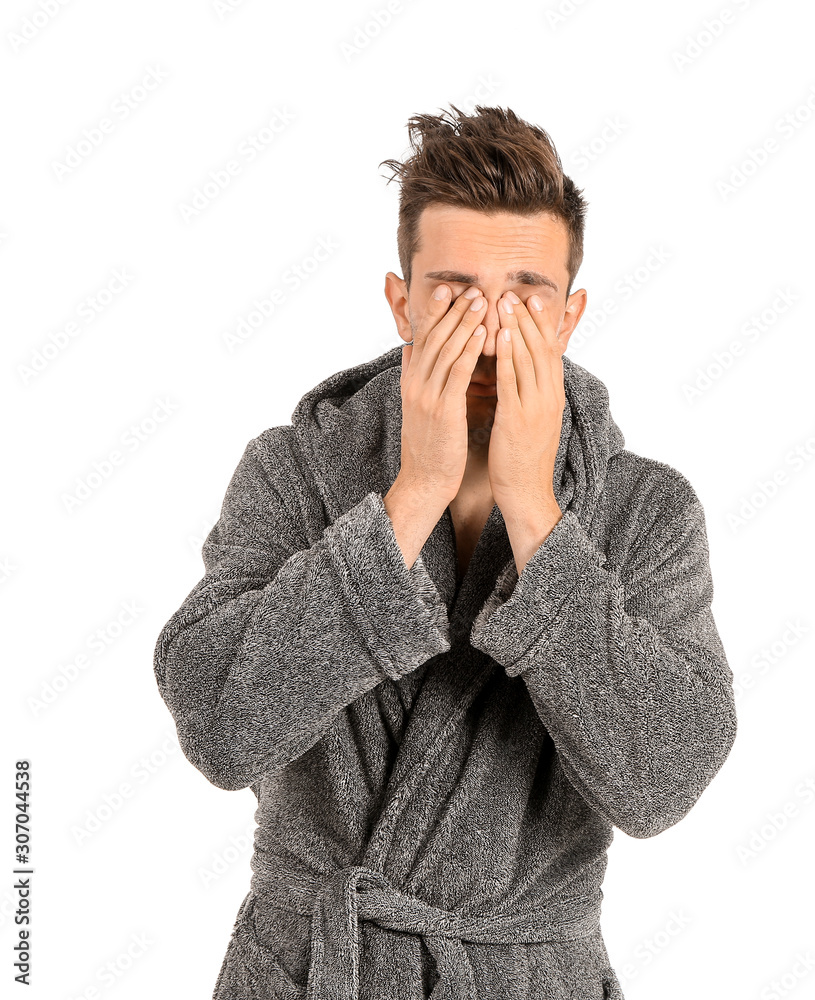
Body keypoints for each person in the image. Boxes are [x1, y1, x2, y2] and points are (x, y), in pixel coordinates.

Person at [153, 104, 737, 1000]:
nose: (491, 329)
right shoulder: (293, 472)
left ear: (570, 314)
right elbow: (220, 731)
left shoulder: (645, 513)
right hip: (310, 971)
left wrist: (536, 511)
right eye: (455, 293)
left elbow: (660, 783)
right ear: (401, 303)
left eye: (526, 294)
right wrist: (413, 494)